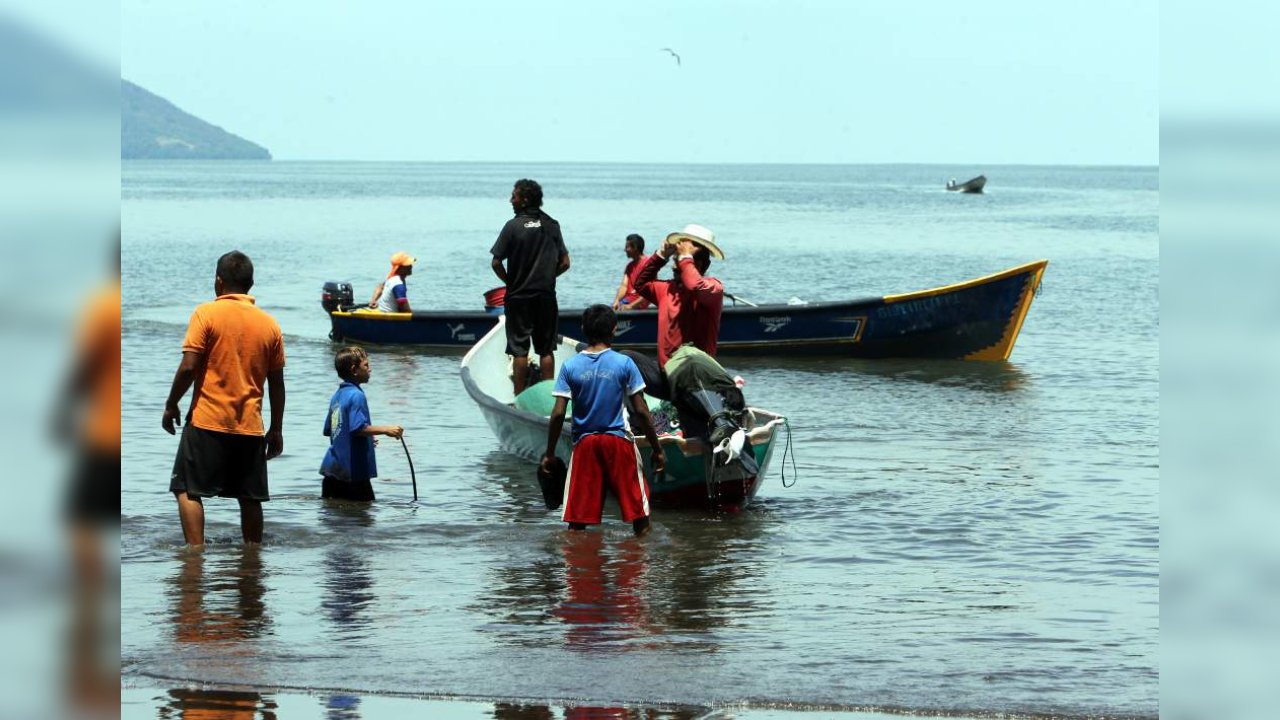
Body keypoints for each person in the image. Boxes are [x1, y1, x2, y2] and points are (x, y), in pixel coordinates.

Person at [163, 251, 286, 546]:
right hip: (250, 426)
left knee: (187, 489)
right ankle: (253, 554)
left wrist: (171, 404)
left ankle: (195, 554)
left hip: (207, 421)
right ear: (251, 283)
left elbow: (189, 366)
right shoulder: (270, 324)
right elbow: (277, 384)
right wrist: (277, 428)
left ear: (218, 281)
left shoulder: (205, 314)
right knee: (249, 497)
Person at [541, 304, 665, 537]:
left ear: (583, 329)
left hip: (585, 444)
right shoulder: (624, 364)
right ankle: (638, 568)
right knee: (640, 517)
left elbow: (558, 414)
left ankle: (579, 568)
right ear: (614, 330)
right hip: (619, 442)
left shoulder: (570, 366)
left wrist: (549, 453)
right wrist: (657, 448)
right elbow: (641, 410)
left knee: (577, 523)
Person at [490, 178, 570, 395]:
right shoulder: (552, 225)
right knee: (546, 349)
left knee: (519, 350)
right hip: (545, 296)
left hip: (518, 297)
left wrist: (511, 282)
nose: (510, 200)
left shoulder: (512, 226)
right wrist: (548, 279)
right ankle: (548, 397)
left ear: (524, 199)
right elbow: (565, 263)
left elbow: (496, 262)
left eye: (514, 196)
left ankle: (518, 397)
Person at [631, 223, 725, 366]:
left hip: (696, 374)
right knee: (628, 357)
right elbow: (640, 284)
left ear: (698, 264)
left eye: (678, 261)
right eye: (675, 261)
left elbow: (694, 285)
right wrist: (661, 256)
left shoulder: (713, 288)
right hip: (666, 374)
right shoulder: (667, 289)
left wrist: (686, 257)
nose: (674, 266)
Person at [319, 346, 405, 502]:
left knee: (335, 521)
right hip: (353, 474)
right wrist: (386, 430)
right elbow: (358, 428)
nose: (370, 369)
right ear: (354, 370)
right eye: (366, 365)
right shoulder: (357, 395)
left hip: (332, 471)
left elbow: (329, 430)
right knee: (363, 520)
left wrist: (367, 438)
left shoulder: (337, 396)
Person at [611, 233, 651, 311]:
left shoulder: (648, 264)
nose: (625, 250)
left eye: (627, 247)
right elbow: (624, 286)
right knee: (607, 310)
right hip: (627, 300)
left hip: (638, 303)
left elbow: (649, 291)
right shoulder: (629, 266)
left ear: (635, 247)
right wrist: (616, 301)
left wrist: (631, 306)